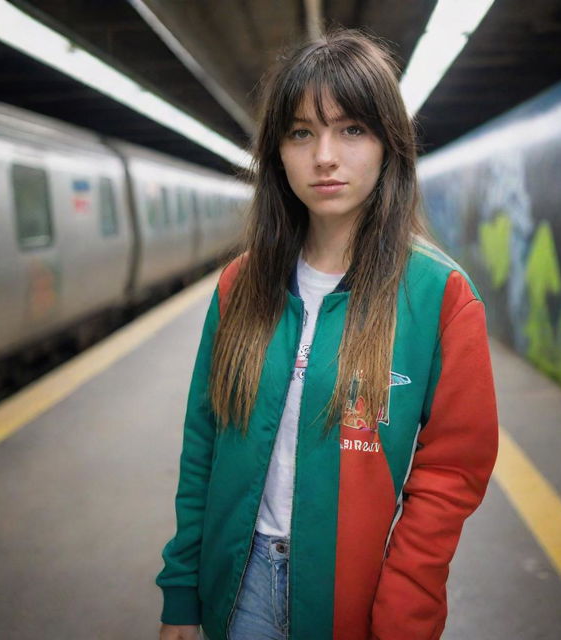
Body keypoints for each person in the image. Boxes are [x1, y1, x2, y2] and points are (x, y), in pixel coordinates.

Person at [156, 28, 499, 640]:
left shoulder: (439, 296)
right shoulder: (241, 286)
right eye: (301, 133)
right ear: (278, 153)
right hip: (240, 587)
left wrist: (405, 612)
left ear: (389, 144)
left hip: (359, 598)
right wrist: (182, 590)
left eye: (352, 130)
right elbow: (203, 444)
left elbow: (452, 474)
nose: (324, 157)